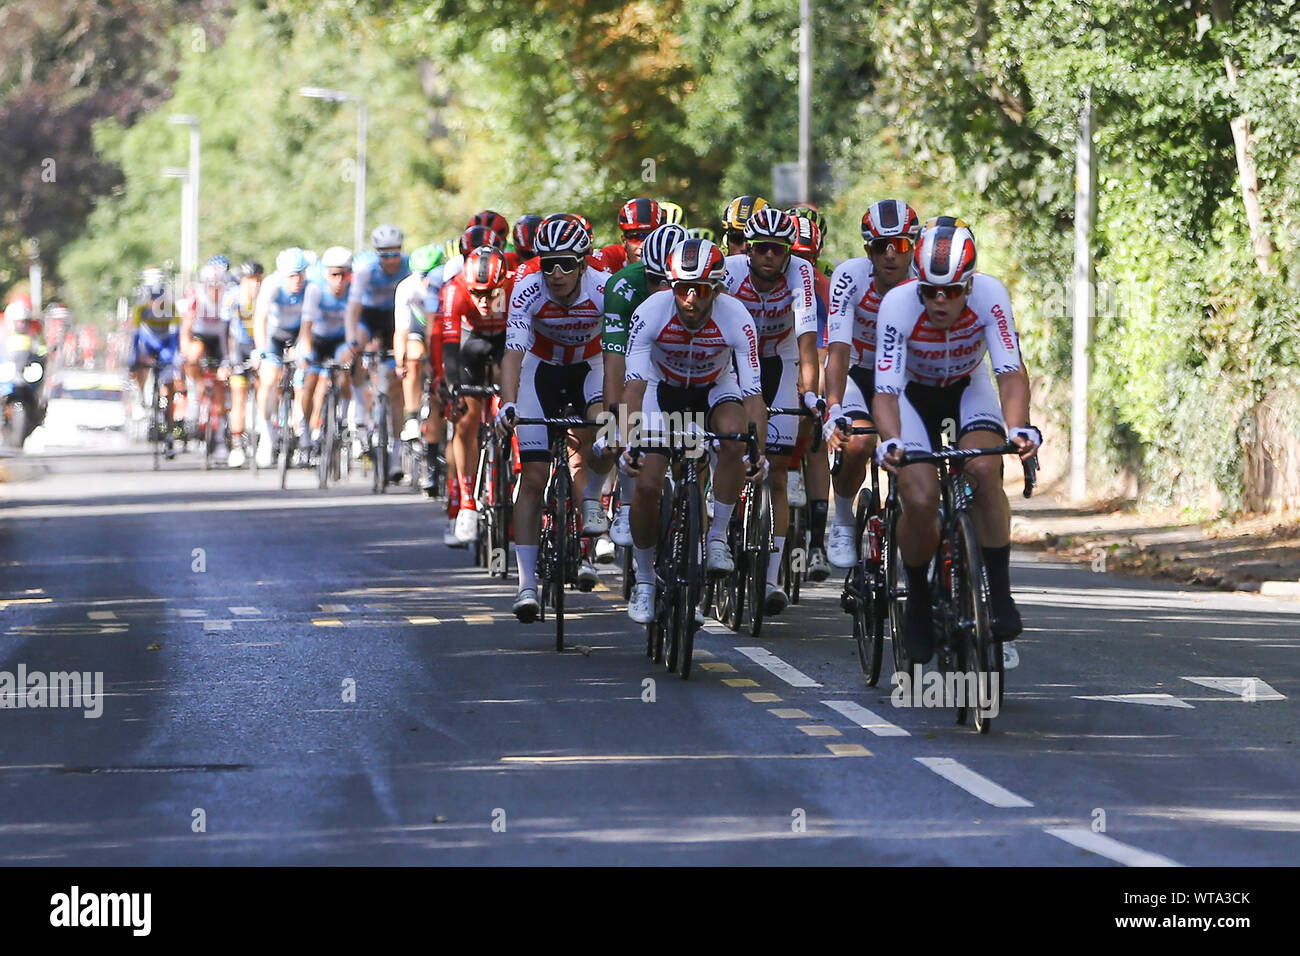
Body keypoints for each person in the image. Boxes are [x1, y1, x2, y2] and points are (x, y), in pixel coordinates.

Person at [872, 221, 1041, 664]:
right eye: (930, 291)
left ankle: (999, 595)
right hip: (913, 394)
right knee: (921, 496)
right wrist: (890, 442)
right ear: (918, 286)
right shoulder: (897, 305)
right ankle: (919, 601)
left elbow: (1009, 371)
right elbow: (885, 392)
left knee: (985, 469)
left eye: (952, 291)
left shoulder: (991, 296)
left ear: (970, 284)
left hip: (969, 385)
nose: (940, 301)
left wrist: (1020, 427)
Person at [621, 238, 767, 624]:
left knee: (736, 437)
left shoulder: (736, 316)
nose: (689, 299)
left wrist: (759, 449)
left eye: (700, 290)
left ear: (716, 289)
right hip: (660, 389)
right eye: (682, 288)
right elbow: (633, 386)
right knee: (649, 484)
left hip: (714, 388)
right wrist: (630, 440)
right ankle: (646, 582)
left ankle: (717, 536)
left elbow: (753, 394)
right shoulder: (651, 311)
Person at [498, 216, 613, 621]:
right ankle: (526, 584)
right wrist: (508, 403)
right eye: (549, 263)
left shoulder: (604, 286)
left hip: (591, 364)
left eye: (566, 263)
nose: (557, 273)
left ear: (584, 263)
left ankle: (591, 497)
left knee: (605, 427)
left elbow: (618, 353)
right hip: (541, 368)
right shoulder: (527, 285)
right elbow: (513, 351)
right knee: (532, 477)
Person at [723, 207, 821, 614]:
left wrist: (811, 394)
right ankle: (718, 519)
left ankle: (769, 578)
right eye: (760, 248)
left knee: (778, 468)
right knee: (727, 446)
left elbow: (807, 341)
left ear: (788, 251)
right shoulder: (728, 271)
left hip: (779, 356)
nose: (768, 256)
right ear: (749, 249)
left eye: (777, 250)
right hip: (728, 356)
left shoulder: (801, 274)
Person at [824, 200, 922, 568]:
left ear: (913, 247)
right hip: (858, 371)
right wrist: (833, 409)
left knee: (919, 452)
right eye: (881, 246)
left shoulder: (924, 282)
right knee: (859, 440)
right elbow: (837, 348)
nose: (891, 255)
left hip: (905, 376)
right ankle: (845, 520)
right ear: (868, 250)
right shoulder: (850, 277)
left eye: (900, 245)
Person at [600, 222, 688, 547]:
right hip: (645, 370)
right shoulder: (623, 287)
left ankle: (698, 519)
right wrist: (614, 428)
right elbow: (615, 365)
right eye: (654, 280)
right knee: (629, 433)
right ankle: (626, 504)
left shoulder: (704, 292)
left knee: (700, 453)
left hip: (689, 373)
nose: (663, 290)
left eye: (671, 282)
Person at [441, 244, 513, 545]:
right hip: (472, 343)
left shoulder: (515, 283)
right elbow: (448, 342)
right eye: (477, 293)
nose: (483, 300)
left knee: (507, 386)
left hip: (507, 338)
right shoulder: (454, 289)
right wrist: (453, 386)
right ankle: (467, 504)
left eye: (490, 293)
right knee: (466, 420)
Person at [346, 224, 411, 482]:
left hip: (397, 320)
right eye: (384, 255)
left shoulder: (409, 267)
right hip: (371, 319)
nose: (390, 260)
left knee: (395, 386)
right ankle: (361, 412)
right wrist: (352, 340)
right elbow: (352, 309)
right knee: (355, 348)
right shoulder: (366, 271)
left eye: (394, 253)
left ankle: (396, 453)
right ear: (377, 255)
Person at [299, 246, 358, 461]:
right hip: (318, 340)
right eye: (334, 274)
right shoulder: (315, 289)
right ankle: (305, 429)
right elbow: (306, 326)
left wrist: (353, 348)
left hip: (341, 339)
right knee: (311, 380)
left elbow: (356, 325)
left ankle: (342, 417)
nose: (339, 280)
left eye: (344, 274)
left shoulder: (354, 290)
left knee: (345, 373)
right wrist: (305, 353)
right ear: (326, 274)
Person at [253, 248, 310, 467]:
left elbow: (309, 322)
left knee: (302, 383)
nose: (296, 280)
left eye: (300, 274)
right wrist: (260, 350)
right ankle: (267, 434)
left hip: (298, 334)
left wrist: (303, 348)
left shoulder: (310, 288)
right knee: (268, 380)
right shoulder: (271, 284)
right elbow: (260, 319)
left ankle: (301, 430)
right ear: (281, 273)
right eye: (291, 275)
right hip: (274, 335)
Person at [178, 260, 232, 462]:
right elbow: (187, 328)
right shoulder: (196, 294)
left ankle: (219, 437)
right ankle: (195, 389)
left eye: (219, 287)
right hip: (201, 336)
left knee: (220, 384)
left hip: (220, 339)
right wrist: (186, 352)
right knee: (193, 355)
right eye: (212, 286)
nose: (215, 290)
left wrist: (228, 360)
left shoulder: (228, 296)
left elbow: (231, 332)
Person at [222, 260, 264, 468]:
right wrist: (224, 360)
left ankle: (265, 435)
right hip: (240, 348)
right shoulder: (232, 296)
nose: (255, 285)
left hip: (260, 345)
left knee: (265, 388)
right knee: (238, 398)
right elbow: (224, 329)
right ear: (242, 281)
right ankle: (237, 445)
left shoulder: (267, 296)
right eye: (250, 281)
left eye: (258, 280)